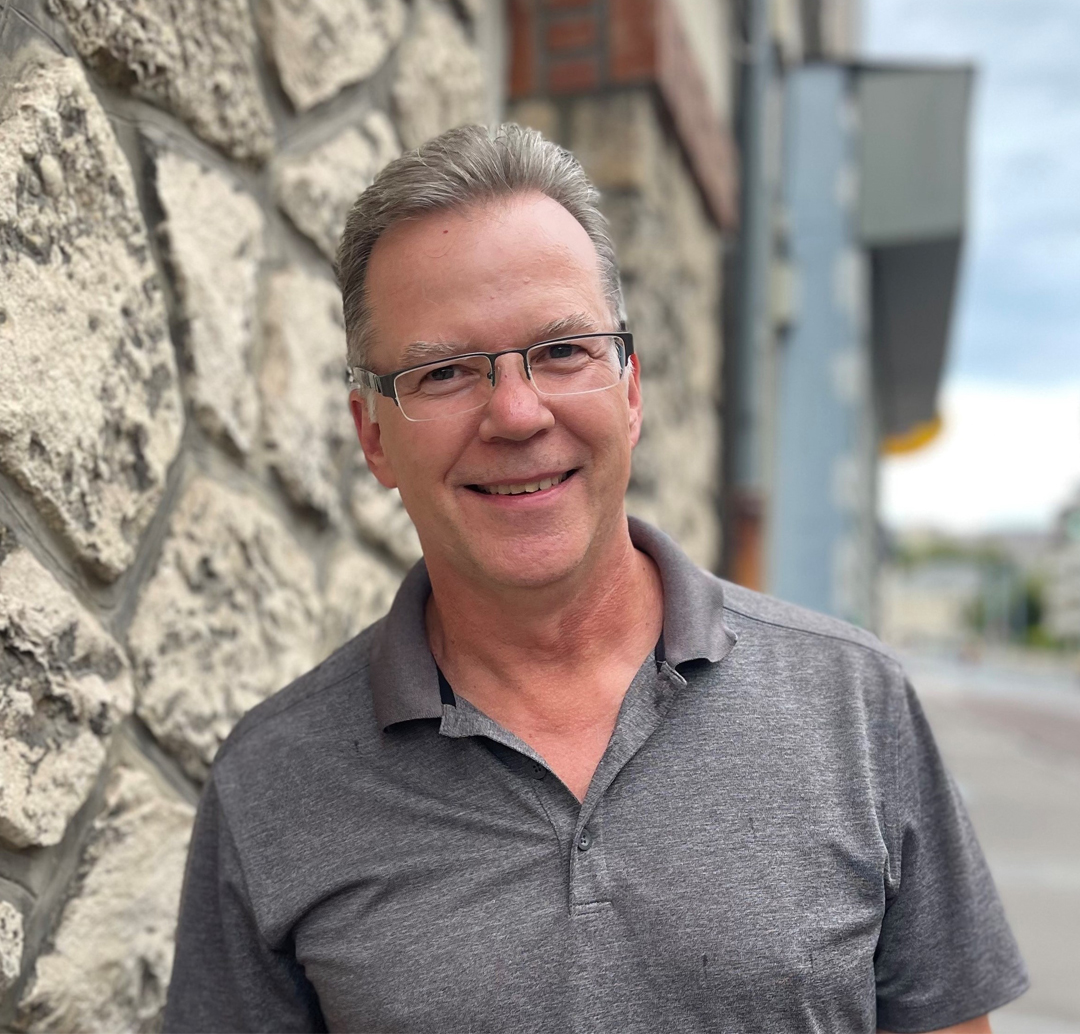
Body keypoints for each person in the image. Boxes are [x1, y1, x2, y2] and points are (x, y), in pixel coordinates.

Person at [163, 124, 1027, 1033]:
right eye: (445, 370)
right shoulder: (272, 784)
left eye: (563, 351)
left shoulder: (855, 704)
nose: (516, 413)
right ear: (373, 434)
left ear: (630, 391)